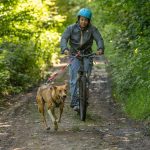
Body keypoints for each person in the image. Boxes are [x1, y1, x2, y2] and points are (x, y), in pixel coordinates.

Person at [60, 8, 104, 111]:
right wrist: (65, 49)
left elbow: (99, 39)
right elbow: (64, 39)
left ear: (89, 21)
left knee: (86, 78)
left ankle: (84, 99)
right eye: (82, 19)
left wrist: (100, 48)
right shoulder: (71, 28)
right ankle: (75, 102)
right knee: (74, 78)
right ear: (79, 19)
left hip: (87, 54)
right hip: (74, 54)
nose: (83, 22)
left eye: (86, 20)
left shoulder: (92, 29)